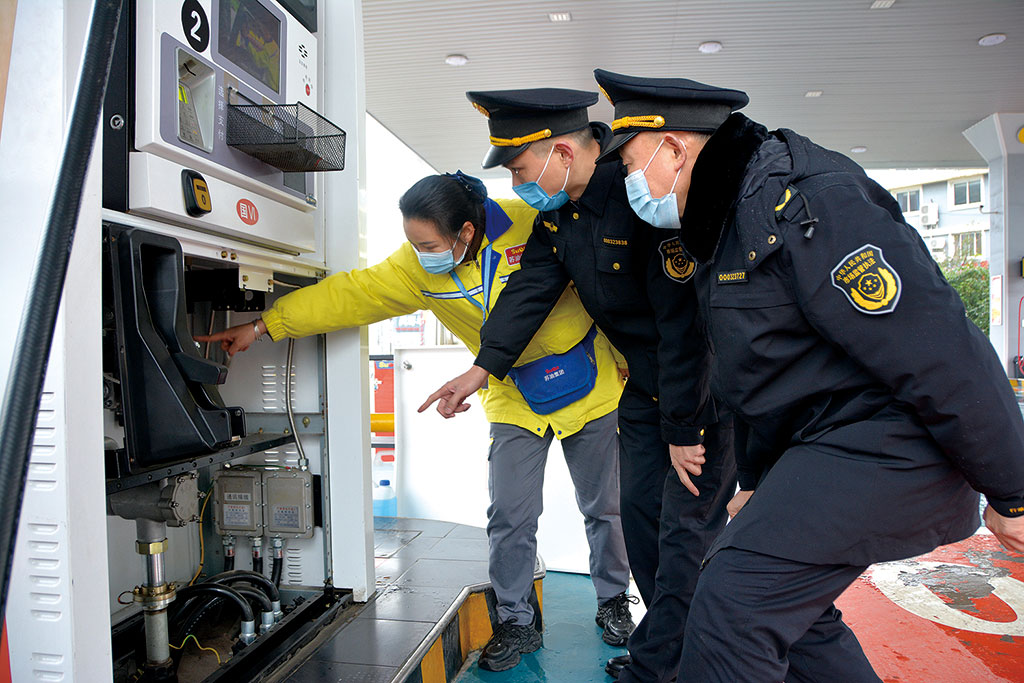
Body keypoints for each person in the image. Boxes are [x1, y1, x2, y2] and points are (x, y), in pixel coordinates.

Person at [594, 67, 1024, 681]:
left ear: (675, 149)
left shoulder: (807, 202)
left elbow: (937, 347)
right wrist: (757, 481)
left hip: (898, 441)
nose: (630, 182)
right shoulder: (724, 219)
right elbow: (760, 377)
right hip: (832, 440)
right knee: (790, 609)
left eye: (632, 164)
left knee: (733, 602)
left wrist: (1012, 491)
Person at [195, 172, 632, 673]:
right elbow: (352, 294)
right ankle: (516, 621)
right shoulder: (417, 268)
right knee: (510, 515)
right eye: (413, 243)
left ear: (466, 231)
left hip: (590, 380)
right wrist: (264, 325)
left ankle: (614, 601)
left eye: (427, 245)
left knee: (606, 507)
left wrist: (630, 361)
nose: (419, 254)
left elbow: (607, 287)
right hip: (511, 391)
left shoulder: (531, 222)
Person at [419, 88, 735, 682]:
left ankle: (698, 657)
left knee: (685, 534)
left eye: (519, 169)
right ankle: (664, 654)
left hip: (696, 396)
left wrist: (684, 427)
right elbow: (528, 292)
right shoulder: (559, 216)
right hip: (644, 394)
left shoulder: (643, 195)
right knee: (639, 522)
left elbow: (684, 324)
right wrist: (480, 370)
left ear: (562, 153)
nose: (517, 184)